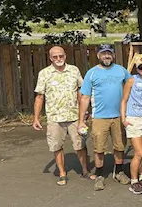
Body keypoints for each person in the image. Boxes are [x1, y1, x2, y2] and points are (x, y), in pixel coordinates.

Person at [33, 46, 90, 186]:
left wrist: (84, 111)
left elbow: (80, 92)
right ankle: (62, 173)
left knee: (80, 144)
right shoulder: (44, 73)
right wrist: (36, 118)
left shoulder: (73, 70)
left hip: (74, 116)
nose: (58, 59)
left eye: (61, 56)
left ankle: (85, 170)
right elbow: (40, 97)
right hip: (54, 117)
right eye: (55, 57)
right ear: (50, 58)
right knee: (56, 146)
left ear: (65, 56)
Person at [78, 44, 132, 191]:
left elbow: (133, 85)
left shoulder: (121, 71)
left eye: (109, 53)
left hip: (119, 116)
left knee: (120, 146)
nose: (106, 56)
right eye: (103, 54)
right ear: (98, 56)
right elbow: (85, 98)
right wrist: (81, 121)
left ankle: (119, 172)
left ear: (113, 55)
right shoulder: (92, 73)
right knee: (99, 148)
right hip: (99, 117)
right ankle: (100, 175)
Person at [120, 56, 142, 194]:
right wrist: (124, 119)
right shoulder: (131, 80)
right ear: (137, 69)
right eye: (141, 67)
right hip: (134, 118)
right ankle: (134, 181)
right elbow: (124, 100)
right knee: (139, 152)